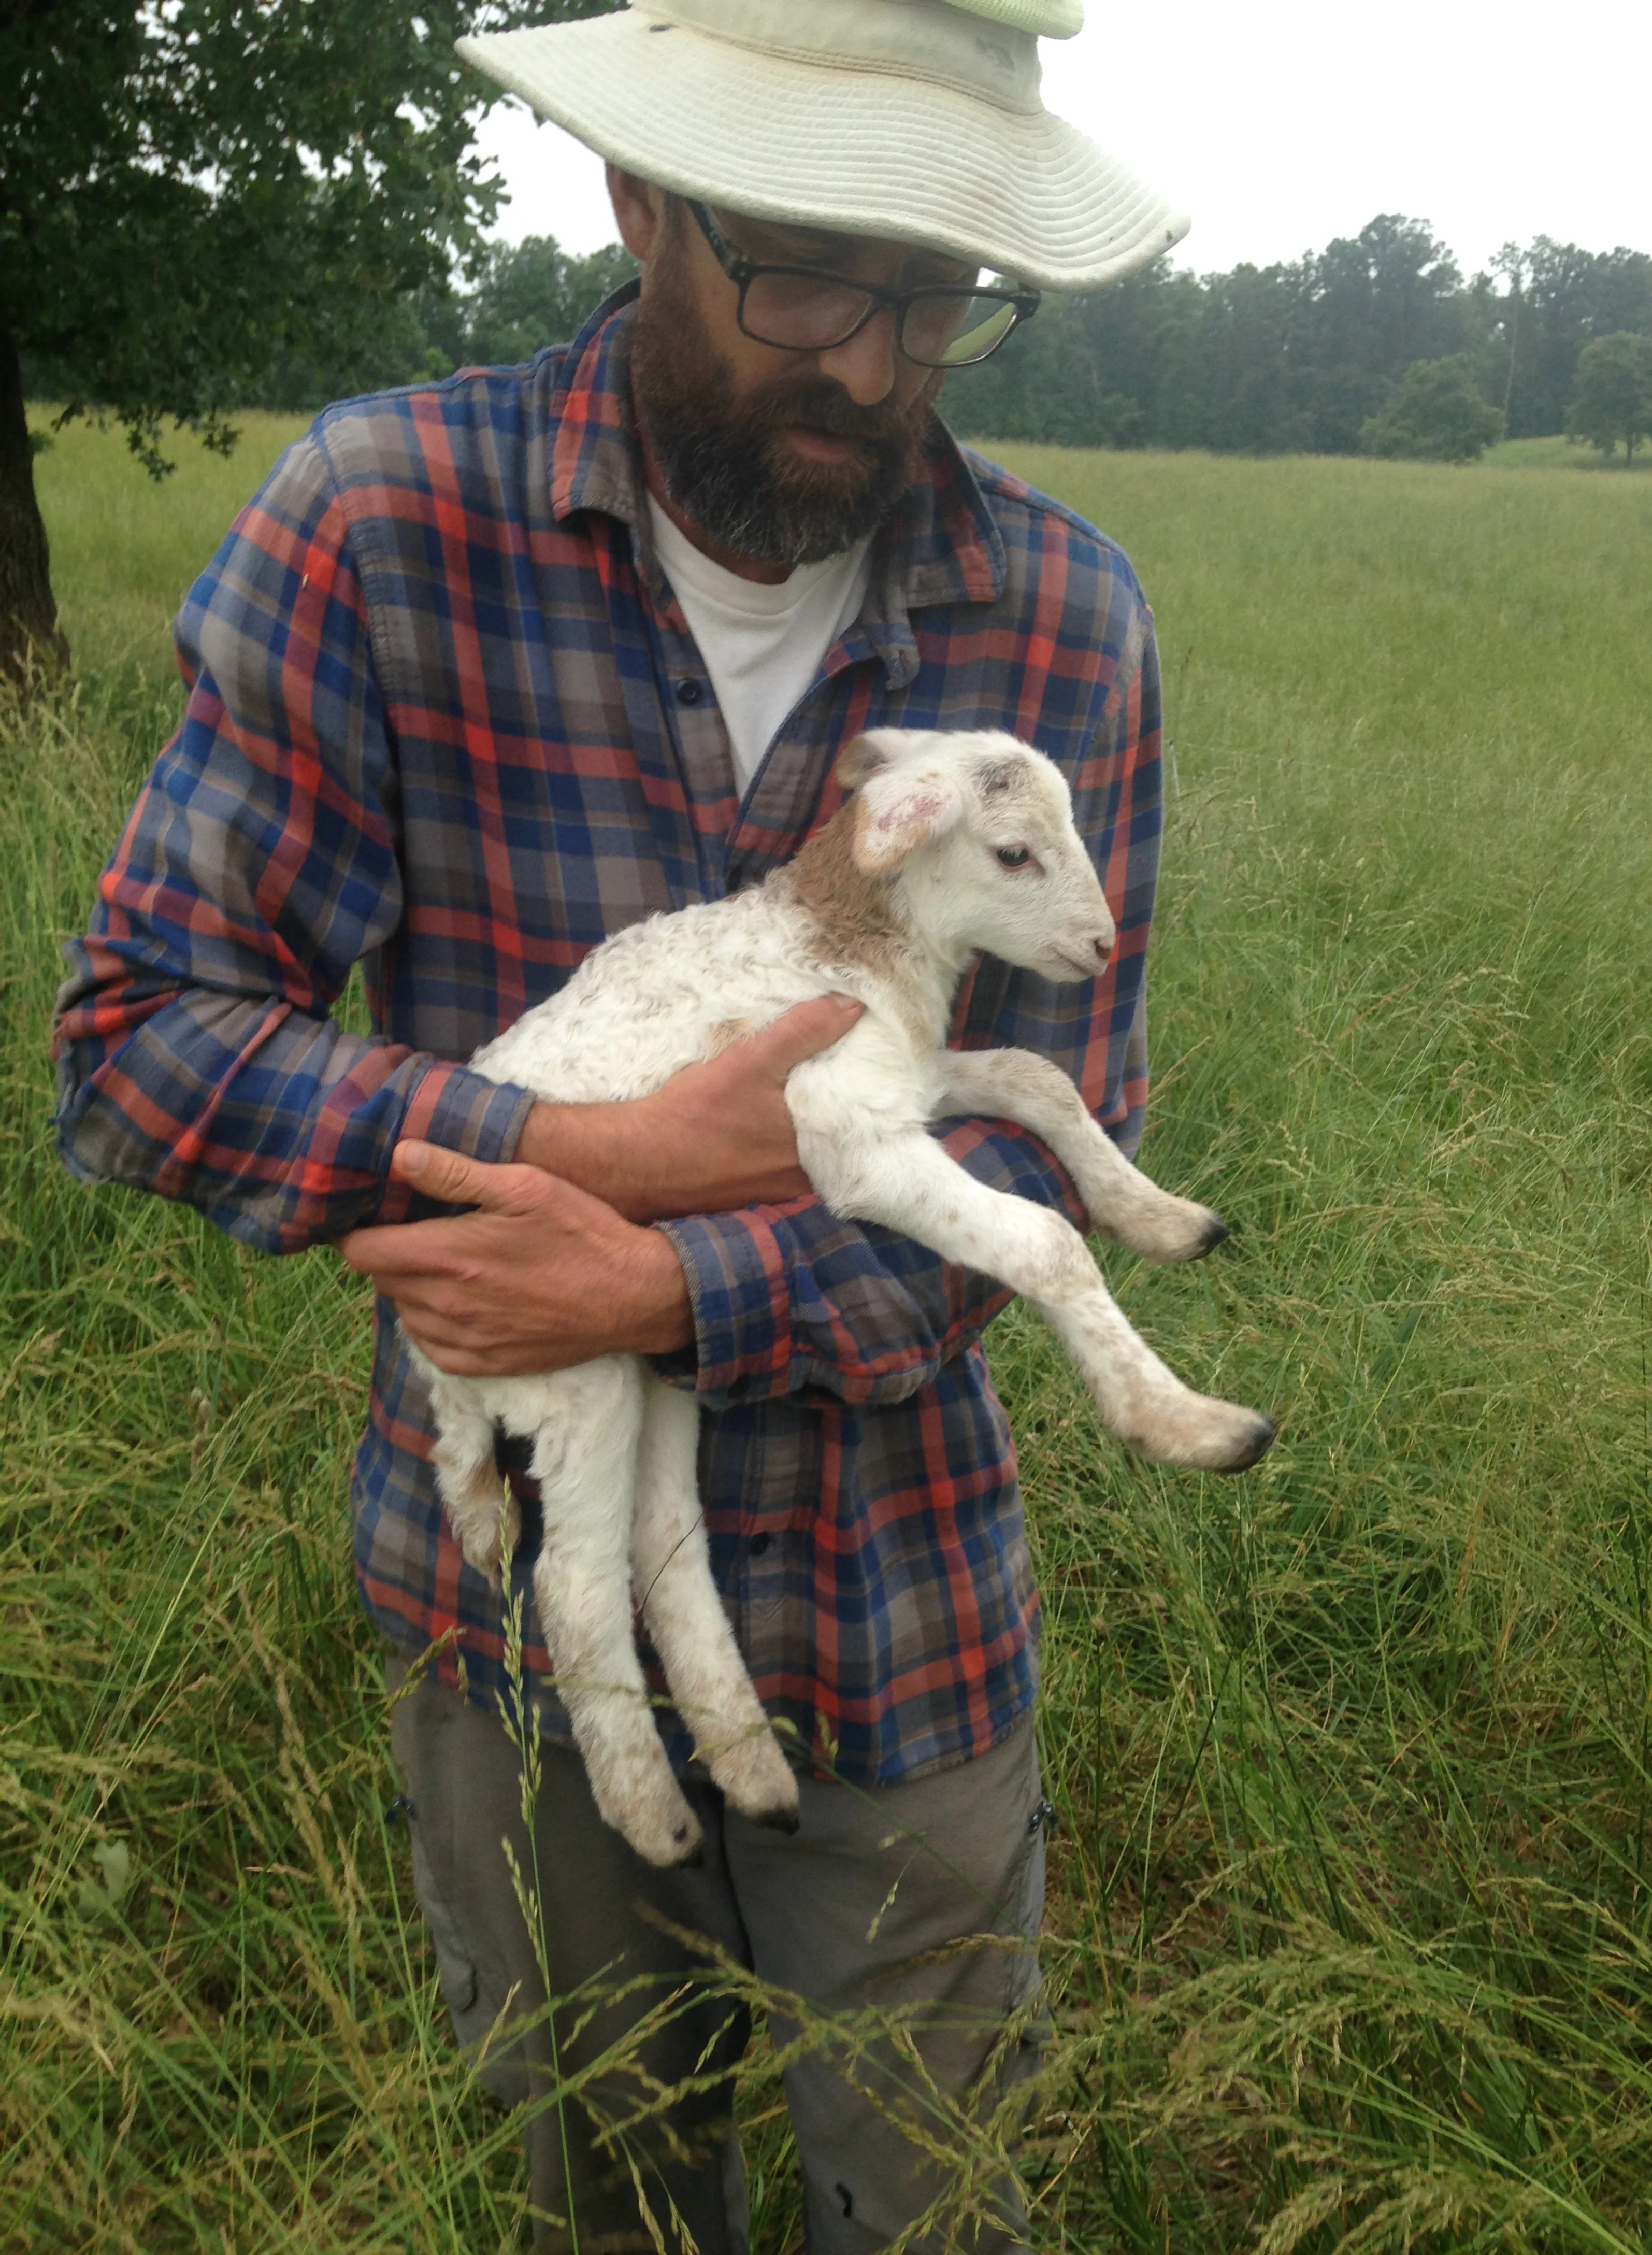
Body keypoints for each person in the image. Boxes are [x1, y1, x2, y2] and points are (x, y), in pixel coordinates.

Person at [52, 2, 1189, 2247]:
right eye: (799, 269)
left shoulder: (1061, 618)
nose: (868, 361)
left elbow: (1072, 1129)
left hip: (907, 1609)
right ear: (638, 202)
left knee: (937, 2208)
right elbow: (144, 1033)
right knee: (598, 2200)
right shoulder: (388, 525)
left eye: (935, 290)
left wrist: (677, 1273)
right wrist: (574, 1154)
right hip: (515, 1599)